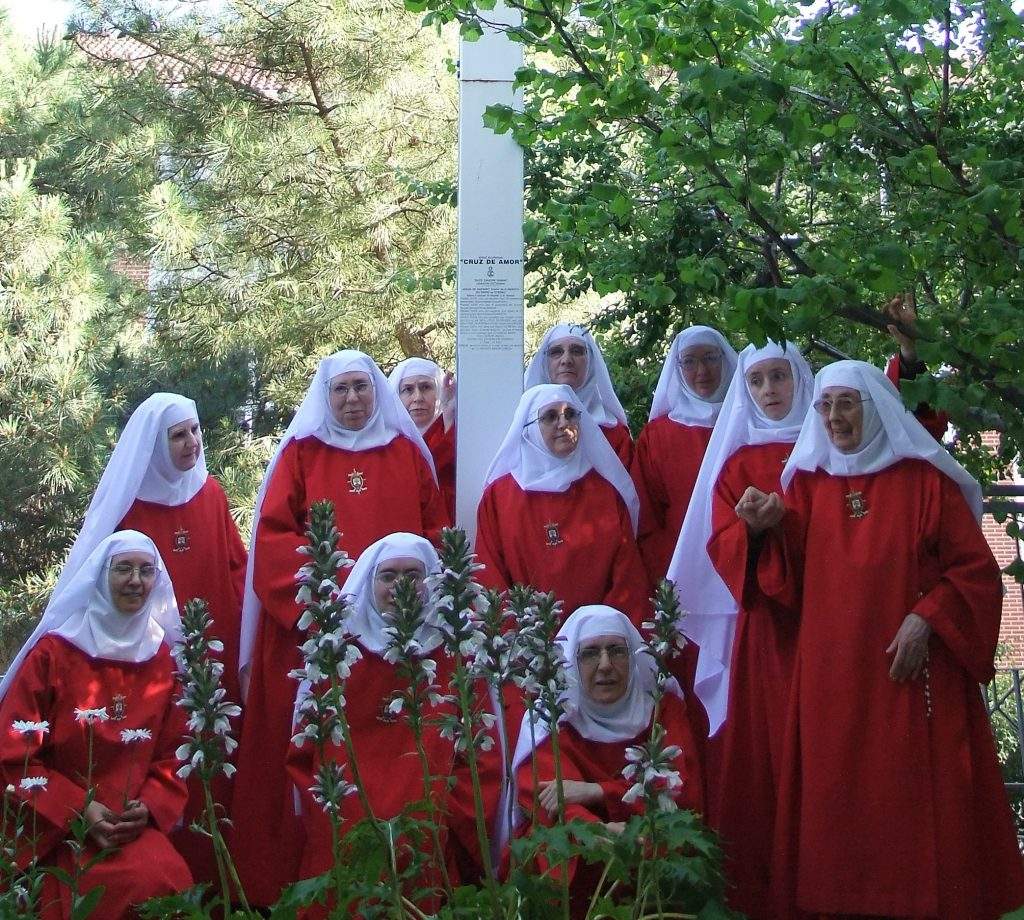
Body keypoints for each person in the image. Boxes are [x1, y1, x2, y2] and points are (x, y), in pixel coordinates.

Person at [738, 361, 1024, 920]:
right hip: (831, 684)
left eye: (847, 404)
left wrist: (928, 616)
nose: (835, 418)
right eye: (825, 406)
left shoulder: (924, 481)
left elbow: (975, 574)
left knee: (912, 813)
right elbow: (782, 586)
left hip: (909, 676)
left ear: (874, 407)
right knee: (838, 813)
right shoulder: (807, 486)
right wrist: (762, 531)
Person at [231, 349, 449, 906]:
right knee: (311, 755)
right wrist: (333, 598)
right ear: (325, 396)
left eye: (361, 387)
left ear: (377, 392)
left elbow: (435, 532)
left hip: (404, 632)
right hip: (319, 631)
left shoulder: (406, 452)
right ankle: (293, 882)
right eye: (341, 389)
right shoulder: (301, 455)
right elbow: (273, 540)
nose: (352, 399)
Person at [51, 392, 247, 881]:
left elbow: (237, 569)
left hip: (212, 658)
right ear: (155, 445)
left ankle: (220, 886)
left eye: (195, 431)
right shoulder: (129, 504)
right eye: (178, 435)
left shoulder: (212, 495)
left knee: (214, 764)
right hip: (147, 663)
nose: (191, 444)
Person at [667, 341, 813, 918]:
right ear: (744, 391)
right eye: (757, 381)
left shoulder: (823, 446)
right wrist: (752, 533)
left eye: (779, 377)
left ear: (799, 380)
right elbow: (718, 545)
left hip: (820, 622)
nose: (770, 390)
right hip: (762, 631)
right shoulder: (735, 462)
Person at [0, 531, 192, 919]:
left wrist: (149, 807)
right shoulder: (54, 653)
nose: (135, 581)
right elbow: (15, 752)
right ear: (101, 577)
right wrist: (79, 810)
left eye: (145, 571)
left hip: (129, 828)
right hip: (56, 827)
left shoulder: (164, 659)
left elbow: (177, 752)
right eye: (123, 569)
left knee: (171, 882)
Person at [287, 533, 457, 916]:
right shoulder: (336, 649)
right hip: (349, 799)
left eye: (413, 575)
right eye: (389, 577)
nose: (401, 587)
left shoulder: (450, 648)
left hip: (427, 805)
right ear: (370, 582)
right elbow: (307, 743)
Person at [511, 605, 705, 916]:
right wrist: (601, 832)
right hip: (581, 864)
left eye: (616, 651)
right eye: (590, 653)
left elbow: (678, 784)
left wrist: (598, 791)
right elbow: (547, 796)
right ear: (571, 662)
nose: (604, 665)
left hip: (649, 854)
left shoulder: (660, 707)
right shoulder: (551, 716)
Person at [474, 384, 648, 627]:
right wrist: (518, 640)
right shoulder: (499, 496)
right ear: (529, 429)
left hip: (596, 648)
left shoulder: (605, 492)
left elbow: (627, 575)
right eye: (550, 416)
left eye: (570, 414)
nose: (563, 423)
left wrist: (598, 637)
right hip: (526, 644)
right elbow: (490, 574)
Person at [631, 326, 738, 586]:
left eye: (710, 358)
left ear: (725, 359)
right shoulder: (657, 435)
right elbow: (646, 517)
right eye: (689, 361)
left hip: (740, 562)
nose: (702, 371)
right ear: (677, 369)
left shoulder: (744, 424)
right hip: (680, 567)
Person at [525, 324, 634, 468]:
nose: (566, 360)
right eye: (556, 352)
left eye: (577, 351)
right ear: (544, 363)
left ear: (590, 362)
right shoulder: (526, 428)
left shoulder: (613, 435)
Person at [389, 357, 456, 518]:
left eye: (426, 387)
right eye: (408, 389)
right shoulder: (387, 440)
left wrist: (449, 418)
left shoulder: (455, 430)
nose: (417, 397)